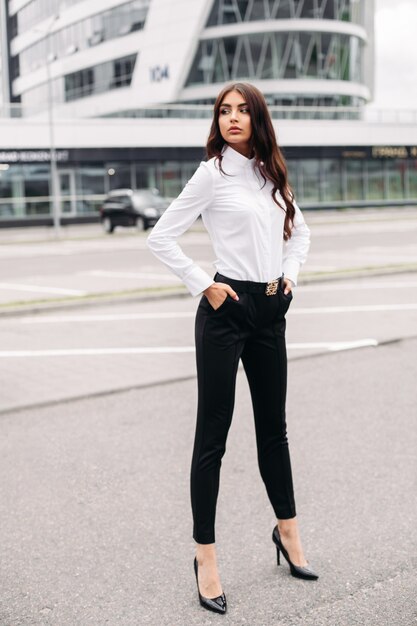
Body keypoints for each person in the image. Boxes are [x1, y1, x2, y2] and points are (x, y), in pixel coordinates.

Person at [147, 82, 318, 616]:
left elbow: (301, 235)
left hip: (270, 311)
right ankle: (206, 557)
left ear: (258, 118)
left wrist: (288, 277)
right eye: (224, 111)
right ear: (216, 121)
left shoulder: (271, 173)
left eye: (243, 110)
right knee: (212, 439)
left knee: (274, 430)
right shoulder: (212, 173)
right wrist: (204, 284)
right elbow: (161, 236)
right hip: (225, 311)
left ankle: (287, 532)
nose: (233, 118)